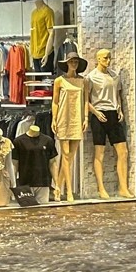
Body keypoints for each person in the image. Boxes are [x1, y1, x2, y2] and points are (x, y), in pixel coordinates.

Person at [85, 48, 132, 198]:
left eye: (109, 58)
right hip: (98, 114)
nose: (108, 61)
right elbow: (85, 100)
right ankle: (101, 188)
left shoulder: (114, 76)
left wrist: (120, 109)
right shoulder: (91, 77)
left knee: (123, 151)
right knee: (100, 152)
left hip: (113, 113)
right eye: (105, 58)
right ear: (98, 59)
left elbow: (117, 95)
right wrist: (95, 112)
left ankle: (123, 187)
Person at [51, 51, 88, 202]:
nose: (74, 64)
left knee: (70, 157)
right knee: (65, 155)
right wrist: (53, 119)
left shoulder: (83, 81)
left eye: (76, 62)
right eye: (71, 61)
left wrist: (86, 118)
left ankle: (58, 188)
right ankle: (69, 191)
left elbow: (86, 100)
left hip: (77, 119)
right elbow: (55, 101)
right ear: (66, 63)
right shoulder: (59, 81)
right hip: (63, 118)